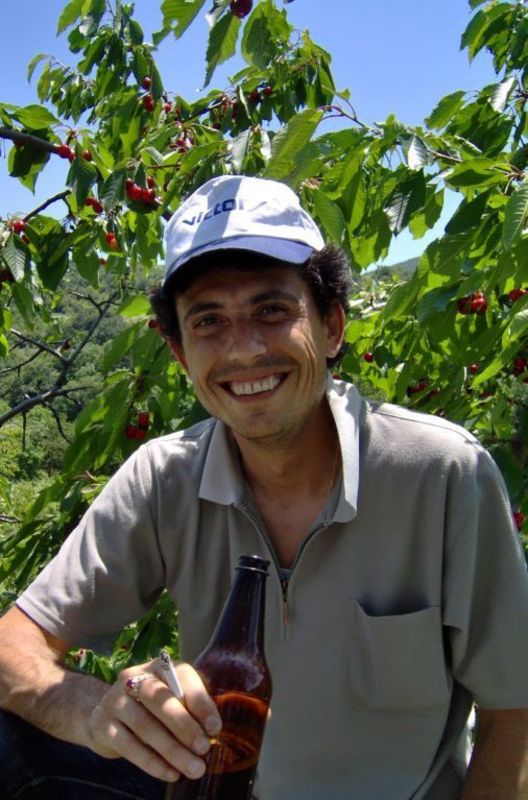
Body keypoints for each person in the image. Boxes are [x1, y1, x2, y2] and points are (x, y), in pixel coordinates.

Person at [0, 174, 527, 800]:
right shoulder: (162, 479)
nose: (244, 349)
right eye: (208, 321)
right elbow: (11, 649)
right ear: (180, 354)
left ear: (332, 327)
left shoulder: (441, 474)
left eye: (272, 311)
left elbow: (515, 713)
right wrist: (95, 713)